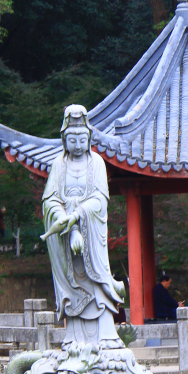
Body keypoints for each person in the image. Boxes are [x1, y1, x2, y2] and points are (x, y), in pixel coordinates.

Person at [40, 105, 125, 347]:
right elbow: (50, 199)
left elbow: (100, 198)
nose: (77, 145)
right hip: (67, 235)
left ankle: (106, 334)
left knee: (94, 280)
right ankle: (74, 337)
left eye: (82, 139)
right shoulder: (59, 164)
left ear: (88, 139)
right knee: (74, 278)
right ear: (64, 140)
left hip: (91, 234)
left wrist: (76, 215)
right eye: (72, 139)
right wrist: (64, 220)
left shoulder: (96, 162)